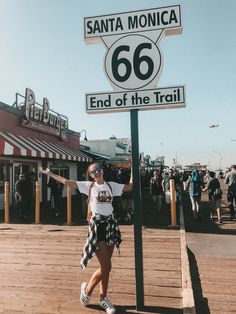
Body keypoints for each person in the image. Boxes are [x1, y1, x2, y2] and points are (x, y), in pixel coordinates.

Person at [40, 163, 132, 314]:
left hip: (110, 225)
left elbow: (129, 187)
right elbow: (66, 182)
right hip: (97, 226)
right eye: (93, 171)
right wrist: (50, 174)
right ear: (90, 175)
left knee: (106, 267)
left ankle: (103, 298)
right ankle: (87, 291)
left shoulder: (111, 185)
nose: (97, 172)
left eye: (99, 169)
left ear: (102, 171)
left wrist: (133, 167)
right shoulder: (88, 186)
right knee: (106, 266)